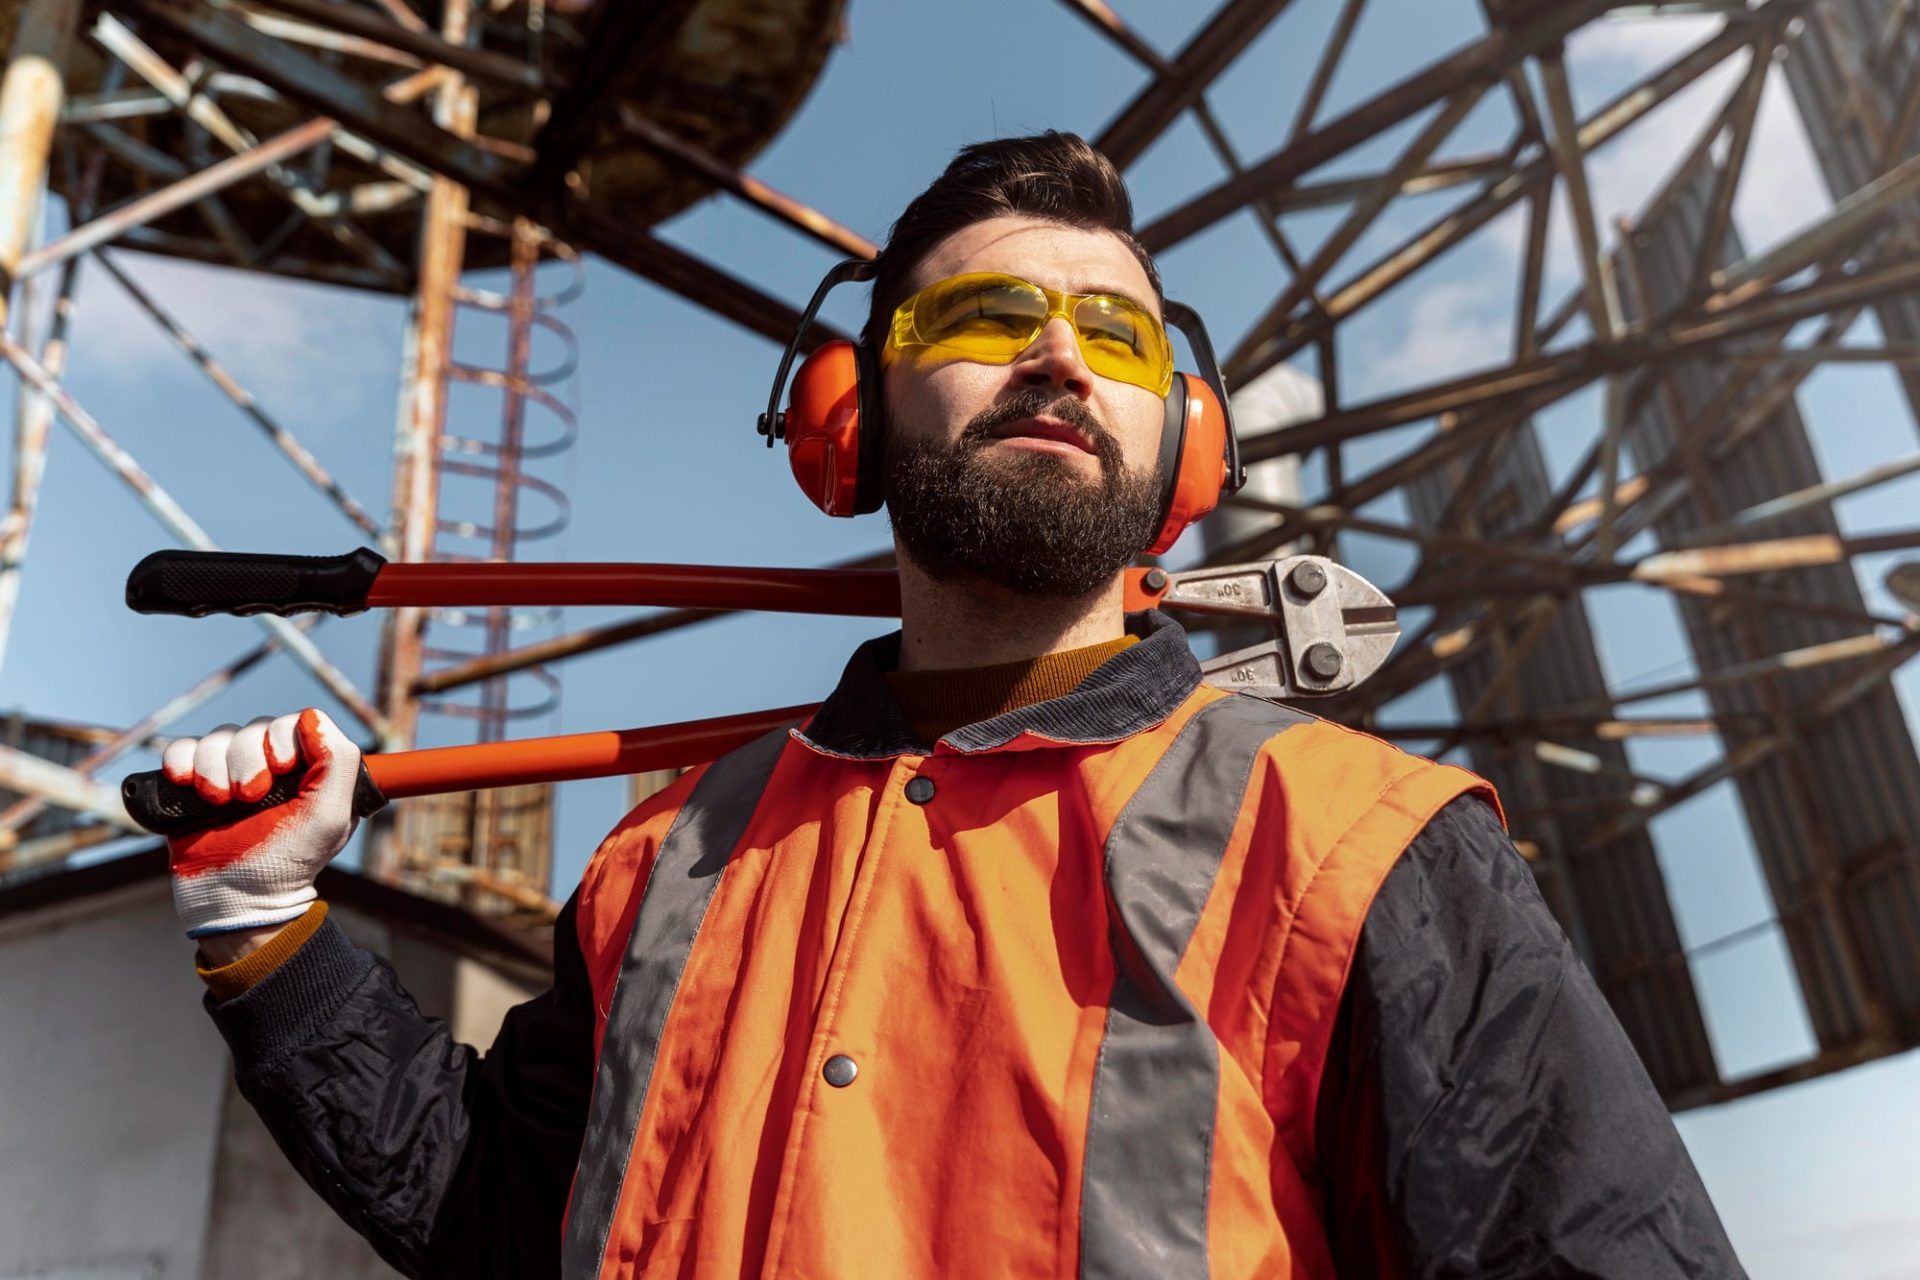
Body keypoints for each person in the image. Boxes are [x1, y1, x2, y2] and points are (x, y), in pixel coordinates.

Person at [163, 132, 1745, 1278]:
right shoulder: (664, 868)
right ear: (847, 428)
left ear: (1181, 446)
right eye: (986, 321)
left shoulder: (1364, 850)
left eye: (1114, 334)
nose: (1058, 352)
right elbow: (498, 1225)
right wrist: (264, 934)